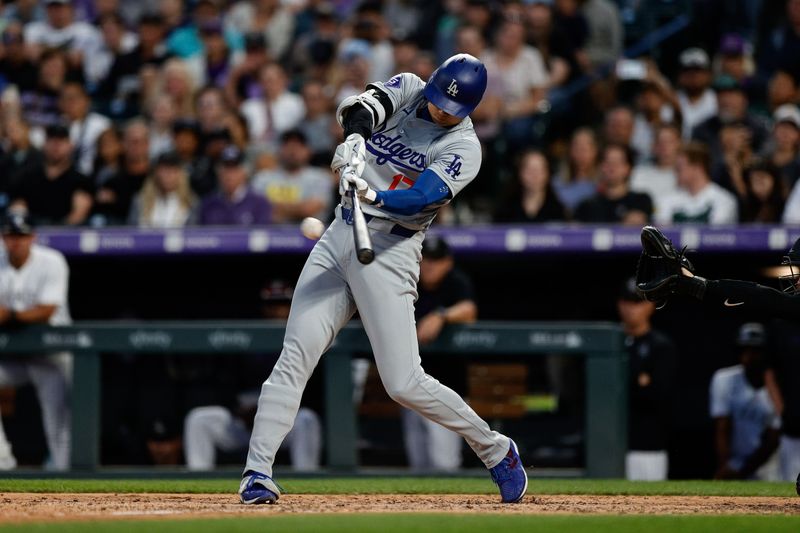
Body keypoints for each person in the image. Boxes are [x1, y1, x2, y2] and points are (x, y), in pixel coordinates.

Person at [238, 54, 527, 505]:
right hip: (339, 234)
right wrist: (355, 141)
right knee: (295, 356)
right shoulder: (412, 88)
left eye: (450, 109)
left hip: (390, 249)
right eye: (436, 100)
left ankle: (496, 450)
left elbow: (420, 199)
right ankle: (258, 472)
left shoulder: (465, 148)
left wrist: (372, 191)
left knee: (403, 382)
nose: (438, 111)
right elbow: (363, 108)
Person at [0, 211, 72, 471]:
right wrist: (19, 317)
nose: (16, 242)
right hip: (13, 358)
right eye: (11, 236)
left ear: (32, 238)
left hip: (50, 355)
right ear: (3, 238)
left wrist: (11, 315)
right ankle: (2, 461)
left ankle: (69, 478)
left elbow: (46, 310)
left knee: (58, 422)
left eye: (22, 236)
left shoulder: (51, 261)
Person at [402, 236, 478, 471]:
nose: (430, 266)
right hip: (411, 389)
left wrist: (441, 315)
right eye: (426, 260)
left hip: (447, 389)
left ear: (447, 262)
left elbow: (469, 310)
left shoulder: (455, 282)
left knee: (444, 464)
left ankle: (451, 508)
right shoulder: (409, 281)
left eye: (436, 260)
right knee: (419, 465)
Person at [617, 277, 676, 481]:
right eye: (627, 302)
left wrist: (634, 385)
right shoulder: (610, 342)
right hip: (609, 444)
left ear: (651, 305)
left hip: (647, 446)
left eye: (637, 302)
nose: (631, 308)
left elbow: (657, 395)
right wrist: (639, 380)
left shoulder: (660, 346)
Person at [709, 323, 780, 480]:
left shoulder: (779, 385)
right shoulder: (725, 379)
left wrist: (742, 471)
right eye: (745, 349)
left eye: (755, 350)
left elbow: (774, 438)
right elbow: (722, 427)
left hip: (771, 466)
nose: (749, 355)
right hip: (735, 462)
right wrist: (725, 467)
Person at [10, 123, 93, 226]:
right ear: (44, 144)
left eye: (61, 140)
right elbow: (18, 208)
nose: (56, 145)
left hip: (66, 235)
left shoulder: (80, 180)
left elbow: (78, 215)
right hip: (32, 233)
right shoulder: (28, 177)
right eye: (52, 140)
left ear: (70, 146)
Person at [250, 129, 332, 223]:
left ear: (308, 151)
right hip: (270, 233)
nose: (293, 151)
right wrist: (298, 208)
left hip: (310, 234)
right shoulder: (262, 178)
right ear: (280, 150)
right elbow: (257, 209)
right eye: (288, 146)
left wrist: (277, 209)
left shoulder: (320, 177)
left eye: (298, 147)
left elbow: (309, 210)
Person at [654, 142, 738, 225]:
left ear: (698, 168)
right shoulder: (667, 200)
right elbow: (662, 233)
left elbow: (715, 236)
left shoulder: (724, 200)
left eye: (679, 168)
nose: (675, 172)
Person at [573, 143, 652, 225]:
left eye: (618, 162)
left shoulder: (641, 201)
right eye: (607, 161)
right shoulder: (586, 206)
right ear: (600, 167)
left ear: (628, 168)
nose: (612, 166)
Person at [198, 146, 271, 226]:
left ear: (244, 172)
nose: (229, 175)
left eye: (234, 169)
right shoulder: (208, 204)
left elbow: (262, 236)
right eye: (226, 168)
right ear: (218, 172)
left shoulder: (259, 203)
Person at [494, 150, 566, 223]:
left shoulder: (557, 210)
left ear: (547, 174)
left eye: (540, 170)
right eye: (529, 170)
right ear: (520, 173)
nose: (535, 175)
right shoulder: (505, 209)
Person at [128, 152, 197, 228]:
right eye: (164, 170)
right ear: (156, 173)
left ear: (180, 174)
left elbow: (192, 234)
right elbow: (132, 232)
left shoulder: (191, 202)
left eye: (173, 171)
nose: (168, 175)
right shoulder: (140, 201)